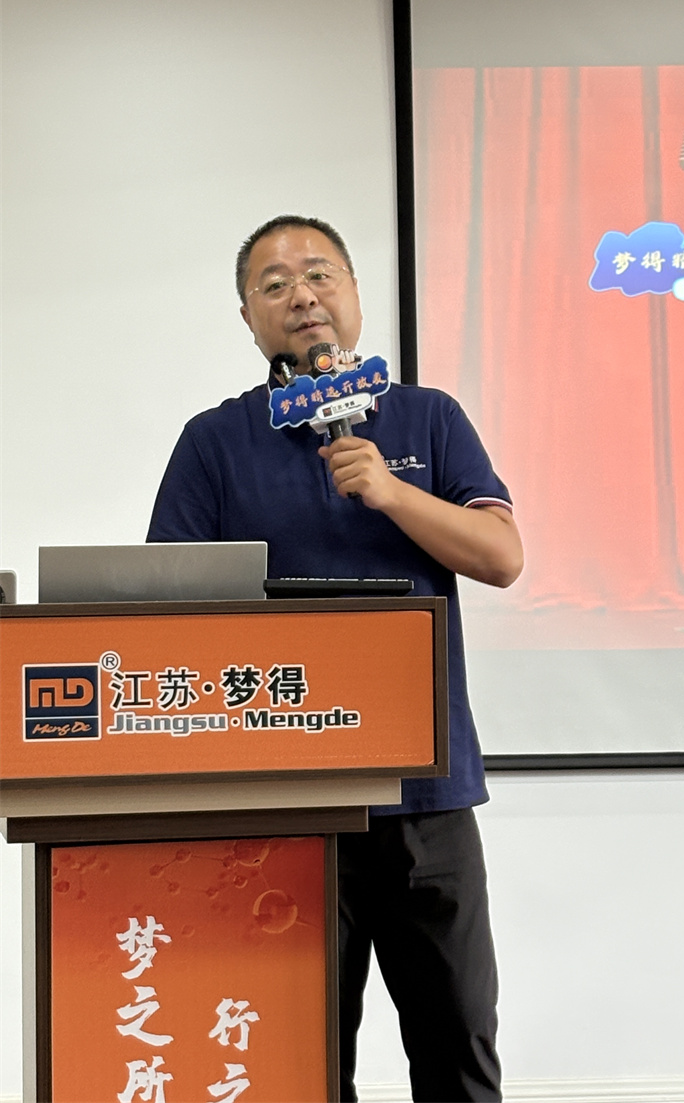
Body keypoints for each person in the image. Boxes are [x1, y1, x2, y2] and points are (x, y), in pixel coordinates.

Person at [147, 215, 523, 1102]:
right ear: (248, 318)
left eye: (319, 274)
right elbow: (167, 605)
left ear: (353, 293)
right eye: (274, 284)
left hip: (428, 797)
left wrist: (390, 490)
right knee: (300, 1062)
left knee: (459, 1046)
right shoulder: (214, 441)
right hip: (286, 799)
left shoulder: (429, 417)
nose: (301, 295)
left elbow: (502, 556)